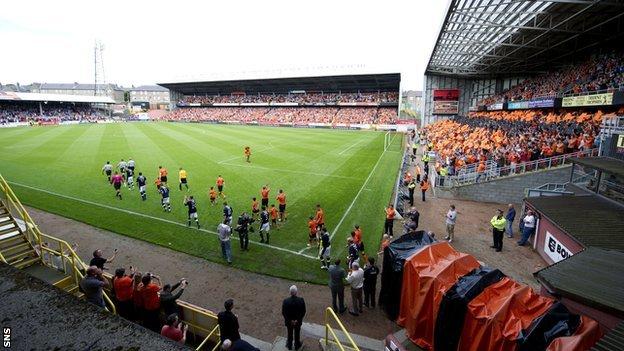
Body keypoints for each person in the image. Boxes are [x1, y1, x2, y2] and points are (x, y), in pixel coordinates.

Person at [282, 285, 306, 350]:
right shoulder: (301, 300)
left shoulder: (286, 301)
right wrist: (297, 320)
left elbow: (284, 313)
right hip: (298, 322)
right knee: (297, 333)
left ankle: (289, 345)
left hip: (289, 322)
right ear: (296, 292)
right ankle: (297, 345)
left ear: (290, 292)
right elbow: (303, 312)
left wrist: (290, 321)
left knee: (289, 333)